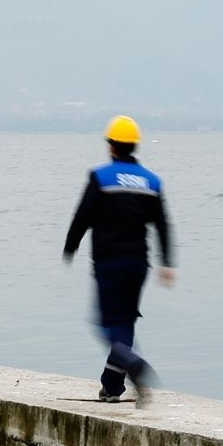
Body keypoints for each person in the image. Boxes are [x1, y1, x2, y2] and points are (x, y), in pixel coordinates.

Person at [63, 115, 175, 406]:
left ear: (111, 146)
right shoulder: (151, 182)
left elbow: (83, 216)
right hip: (138, 265)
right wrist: (168, 262)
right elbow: (163, 224)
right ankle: (112, 387)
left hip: (109, 264)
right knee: (124, 323)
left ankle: (134, 365)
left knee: (105, 326)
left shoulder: (101, 178)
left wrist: (70, 247)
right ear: (134, 146)